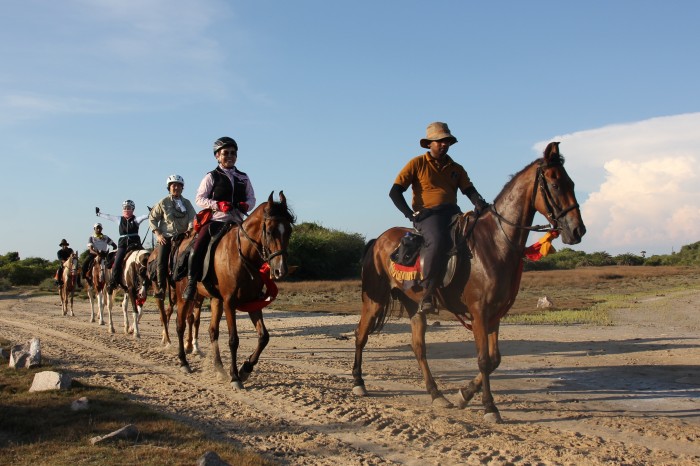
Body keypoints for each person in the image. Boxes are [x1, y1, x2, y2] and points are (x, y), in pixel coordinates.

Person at [389, 122, 489, 314]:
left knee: (475, 236)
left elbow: (469, 190)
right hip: (428, 215)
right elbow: (395, 192)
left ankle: (466, 290)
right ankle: (428, 293)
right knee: (437, 241)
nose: (444, 144)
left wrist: (481, 204)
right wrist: (410, 214)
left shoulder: (456, 168)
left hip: (452, 212)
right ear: (429, 144)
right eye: (439, 141)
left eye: (446, 141)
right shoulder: (416, 163)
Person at [182, 136, 256, 301]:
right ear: (217, 156)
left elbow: (252, 198)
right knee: (197, 248)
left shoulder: (243, 177)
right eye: (225, 153)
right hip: (217, 221)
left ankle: (257, 283)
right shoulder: (211, 176)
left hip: (237, 222)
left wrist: (246, 205)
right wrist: (218, 205)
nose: (230, 156)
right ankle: (192, 283)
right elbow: (200, 198)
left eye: (233, 153)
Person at [149, 174, 197, 298]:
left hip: (184, 236)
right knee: (162, 260)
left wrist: (190, 228)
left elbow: (193, 217)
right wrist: (158, 235)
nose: (176, 188)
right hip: (167, 237)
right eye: (173, 185)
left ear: (182, 188)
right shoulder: (163, 202)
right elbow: (153, 219)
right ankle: (161, 289)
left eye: (179, 185)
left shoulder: (187, 203)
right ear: (169, 188)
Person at [96, 200, 149, 293]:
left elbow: (145, 217)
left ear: (133, 209)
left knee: (147, 258)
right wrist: (99, 214)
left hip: (135, 244)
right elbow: (108, 216)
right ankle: (113, 282)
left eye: (128, 208)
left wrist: (151, 213)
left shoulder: (136, 219)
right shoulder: (119, 219)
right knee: (117, 262)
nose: (126, 210)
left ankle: (150, 281)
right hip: (123, 245)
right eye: (125, 208)